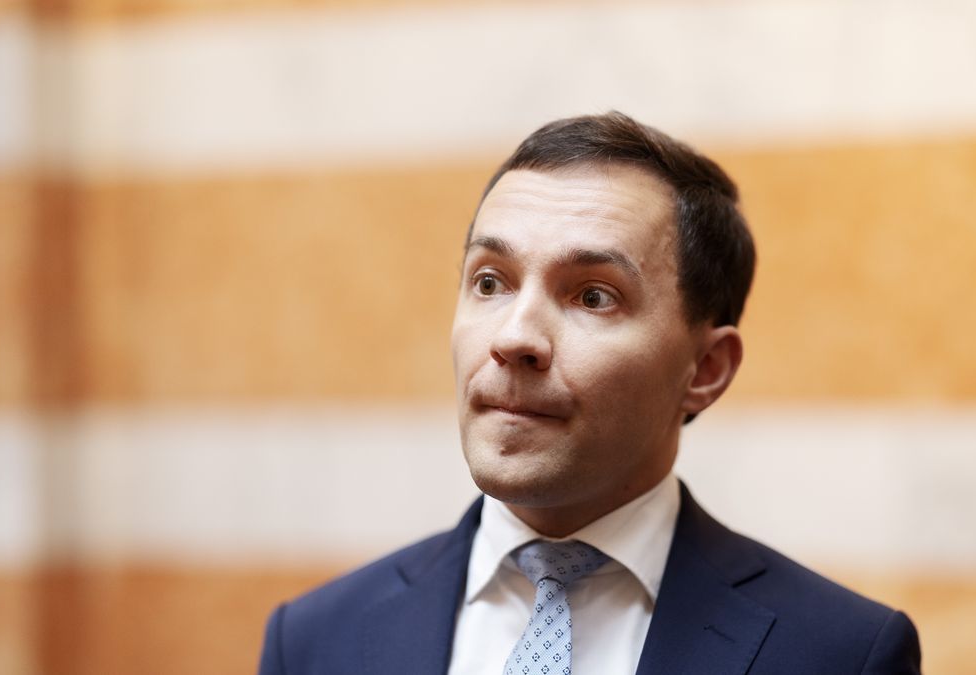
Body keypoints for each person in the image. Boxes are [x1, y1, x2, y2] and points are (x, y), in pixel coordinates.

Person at [258, 112, 922, 674]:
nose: (514, 337)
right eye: (490, 281)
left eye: (593, 295)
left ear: (707, 367)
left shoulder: (842, 653)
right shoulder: (314, 640)